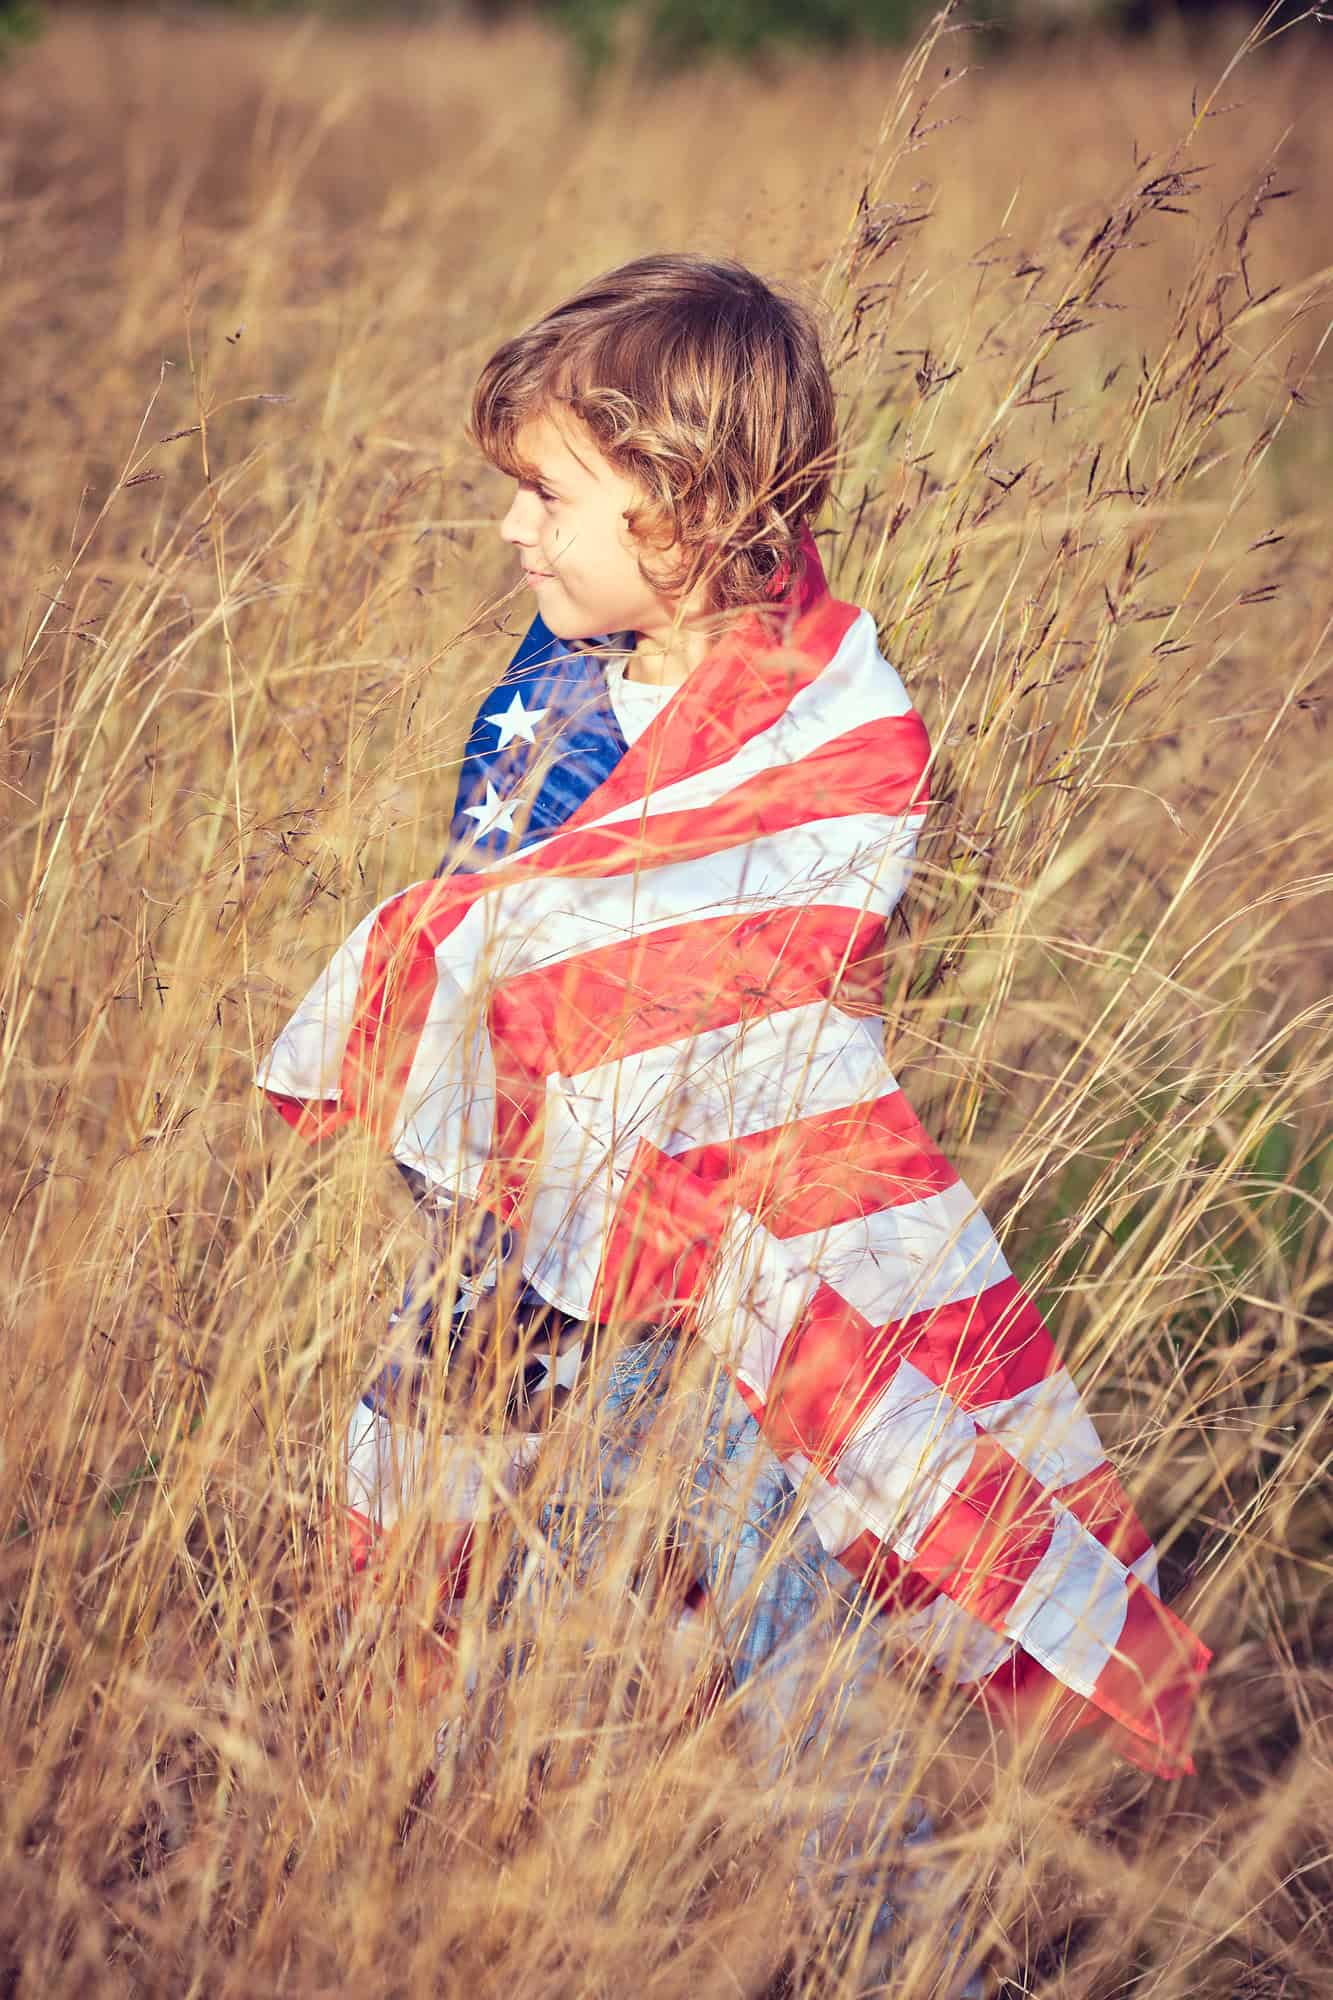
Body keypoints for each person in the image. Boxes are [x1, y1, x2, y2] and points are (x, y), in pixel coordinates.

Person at [258, 254, 1208, 1990]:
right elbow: (509, 925)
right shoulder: (543, 703)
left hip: (736, 1260)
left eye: (547, 495)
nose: (513, 536)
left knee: (784, 1606)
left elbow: (782, 954)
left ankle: (903, 1951)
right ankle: (475, 1912)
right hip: (527, 1248)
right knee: (514, 1575)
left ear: (687, 512)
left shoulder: (829, 720)